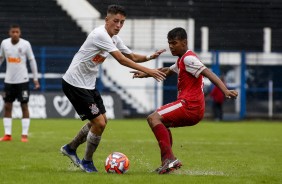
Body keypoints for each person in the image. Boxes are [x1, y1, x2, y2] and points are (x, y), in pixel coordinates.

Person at [60, 4, 166, 173]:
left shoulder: (113, 39)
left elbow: (130, 56)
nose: (118, 25)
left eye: (122, 22)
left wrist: (149, 57)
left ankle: (71, 148)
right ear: (106, 20)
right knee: (99, 123)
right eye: (115, 21)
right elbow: (122, 60)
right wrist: (150, 71)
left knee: (101, 122)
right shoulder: (100, 35)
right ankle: (86, 162)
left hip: (88, 84)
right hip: (75, 83)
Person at [131, 27, 238, 174]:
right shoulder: (182, 60)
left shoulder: (188, 58)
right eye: (169, 43)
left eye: (174, 43)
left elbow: (208, 72)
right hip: (192, 108)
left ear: (184, 42)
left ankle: (169, 159)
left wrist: (224, 90)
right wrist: (145, 74)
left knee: (153, 118)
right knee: (161, 122)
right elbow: (167, 71)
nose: (171, 46)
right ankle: (167, 163)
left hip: (189, 106)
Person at [0, 24, 40, 142]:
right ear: (9, 33)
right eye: (13, 32)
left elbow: (32, 61)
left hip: (23, 81)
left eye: (17, 32)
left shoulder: (25, 44)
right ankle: (7, 134)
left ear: (20, 33)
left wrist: (35, 78)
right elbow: (1, 58)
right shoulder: (4, 43)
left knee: (24, 106)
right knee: (7, 106)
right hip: (9, 81)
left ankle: (24, 135)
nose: (15, 34)